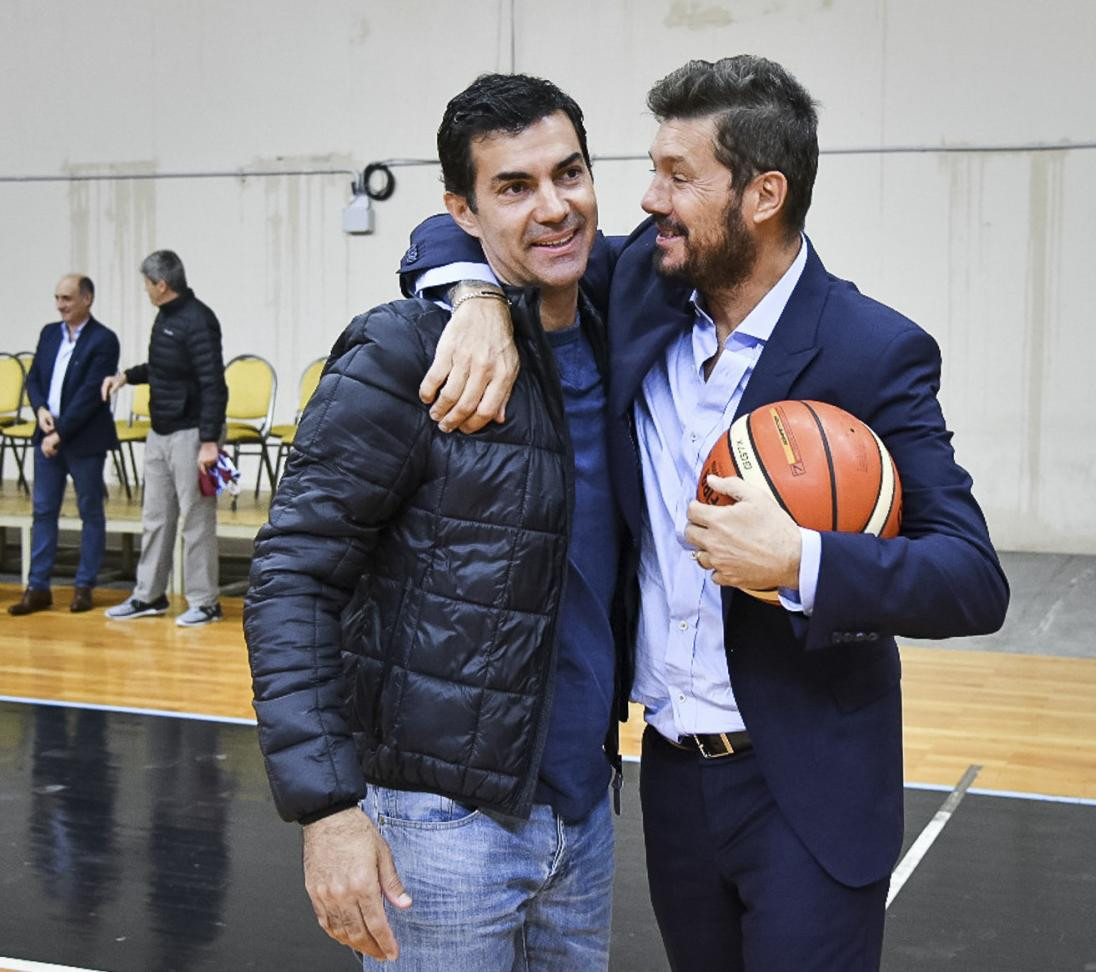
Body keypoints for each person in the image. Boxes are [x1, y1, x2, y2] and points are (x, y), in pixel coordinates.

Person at [401, 55, 1010, 971]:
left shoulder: (871, 349)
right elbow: (462, 226)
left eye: (678, 178)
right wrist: (480, 297)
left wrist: (802, 560)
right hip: (672, 778)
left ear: (763, 195)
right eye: (649, 170)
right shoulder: (643, 287)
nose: (647, 199)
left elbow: (972, 579)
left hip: (803, 784)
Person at [244, 74, 630, 971]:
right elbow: (292, 578)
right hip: (437, 830)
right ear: (461, 208)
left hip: (585, 815)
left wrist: (479, 292)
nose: (554, 207)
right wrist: (329, 810)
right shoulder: (401, 353)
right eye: (514, 186)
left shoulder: (623, 328)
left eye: (569, 174)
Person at [100, 250, 227, 627]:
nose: (145, 291)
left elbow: (213, 384)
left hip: (193, 434)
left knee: (197, 521)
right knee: (155, 517)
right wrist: (127, 375)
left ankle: (205, 602)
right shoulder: (166, 317)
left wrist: (209, 442)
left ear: (161, 284)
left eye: (146, 285)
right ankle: (149, 595)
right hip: (161, 430)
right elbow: (163, 368)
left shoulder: (199, 320)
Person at [8, 275, 119, 616]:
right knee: (42, 512)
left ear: (87, 299)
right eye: (57, 298)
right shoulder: (48, 333)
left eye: (67, 298)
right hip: (47, 435)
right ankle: (37, 587)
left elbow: (89, 395)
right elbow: (35, 378)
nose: (60, 305)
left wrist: (61, 433)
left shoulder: (103, 340)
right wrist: (40, 409)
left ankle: (84, 586)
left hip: (82, 439)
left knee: (90, 512)